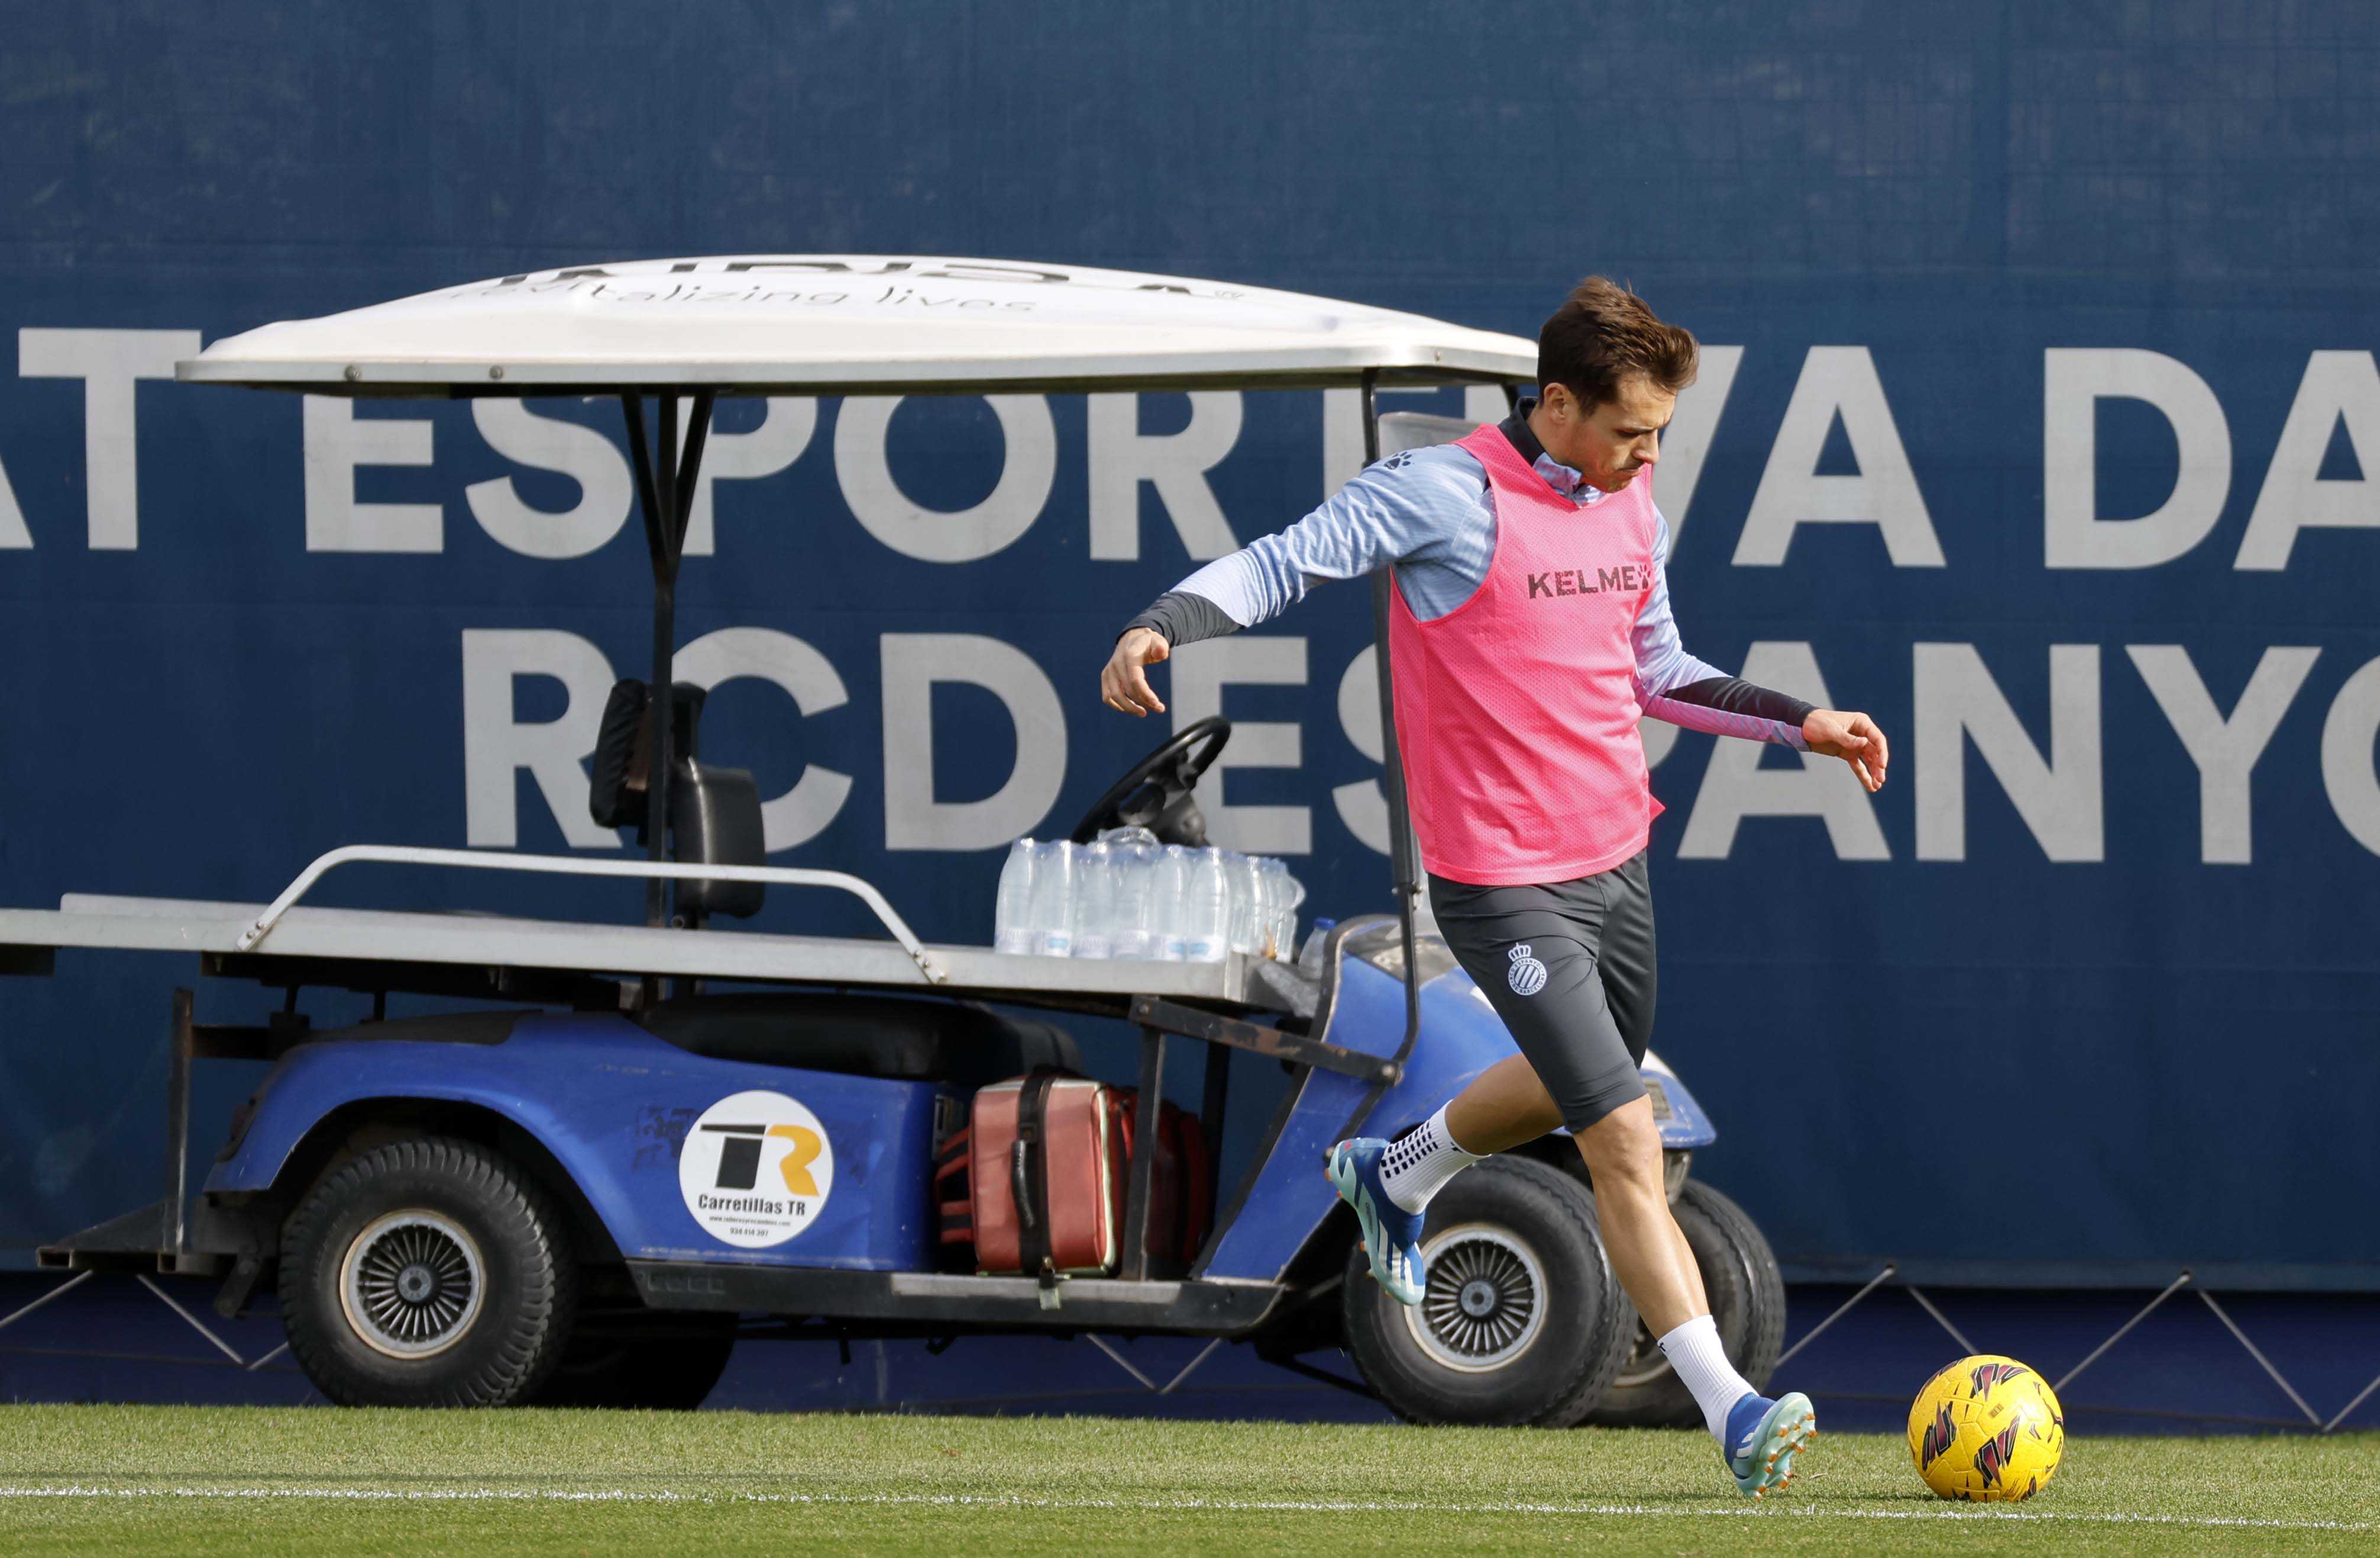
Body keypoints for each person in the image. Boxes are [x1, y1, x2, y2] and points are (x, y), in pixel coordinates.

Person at [1099, 277, 1886, 1496]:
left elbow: (1657, 671)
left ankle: (1396, 1171)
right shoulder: (1438, 494)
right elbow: (1284, 562)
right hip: (1501, 880)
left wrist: (1802, 722)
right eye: (1631, 431)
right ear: (1556, 403)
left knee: (1589, 1078)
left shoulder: (1629, 499)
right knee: (1619, 1130)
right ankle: (1731, 1409)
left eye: (1660, 434)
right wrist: (1163, 623)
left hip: (1615, 858)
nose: (1649, 455)